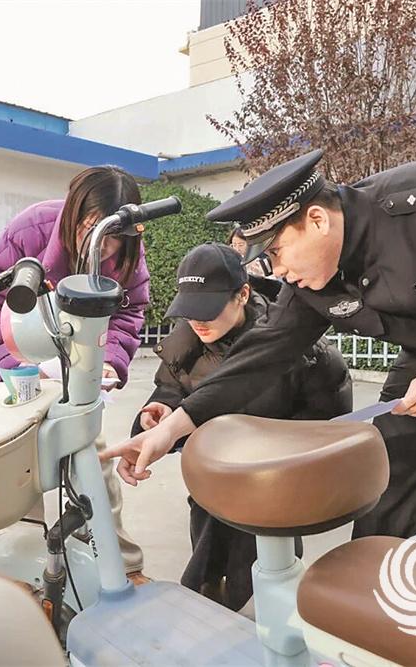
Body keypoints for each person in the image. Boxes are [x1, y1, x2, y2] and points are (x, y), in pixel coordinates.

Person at [102, 149, 416, 574]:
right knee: (389, 461)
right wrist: (175, 426)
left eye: (277, 252)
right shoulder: (310, 283)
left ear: (316, 220)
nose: (279, 272)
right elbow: (258, 358)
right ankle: (380, 589)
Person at [133, 242, 351, 609]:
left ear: (243, 294)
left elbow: (333, 415)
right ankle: (213, 597)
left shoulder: (294, 341)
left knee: (255, 537)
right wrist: (158, 411)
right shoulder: (185, 343)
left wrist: (279, 453)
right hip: (218, 473)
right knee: (211, 515)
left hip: (282, 471)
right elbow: (169, 390)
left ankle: (220, 600)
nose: (198, 321)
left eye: (208, 309)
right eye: (190, 309)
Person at [0, 165, 149, 584]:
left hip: (77, 361)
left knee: (90, 452)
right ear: (73, 211)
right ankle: (20, 566)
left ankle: (121, 564)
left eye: (114, 236)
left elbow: (130, 311)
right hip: (15, 358)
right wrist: (18, 370)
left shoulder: (127, 254)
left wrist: (108, 361)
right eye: (89, 226)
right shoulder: (31, 229)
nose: (101, 244)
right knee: (19, 462)